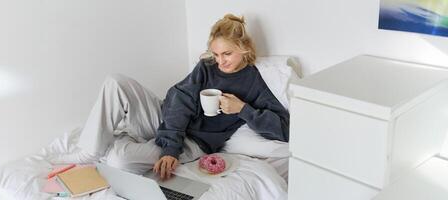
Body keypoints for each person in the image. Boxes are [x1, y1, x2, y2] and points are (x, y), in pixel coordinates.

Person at [71, 14, 289, 181]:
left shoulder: (254, 83)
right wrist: (169, 148)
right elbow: (180, 98)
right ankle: (89, 151)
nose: (220, 61)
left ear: (244, 48)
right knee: (115, 82)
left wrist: (242, 109)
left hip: (193, 141)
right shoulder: (206, 67)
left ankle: (126, 138)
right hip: (166, 120)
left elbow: (284, 129)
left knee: (119, 161)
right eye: (216, 54)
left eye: (227, 54)